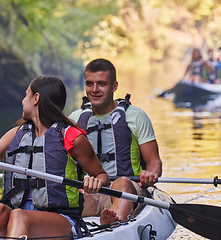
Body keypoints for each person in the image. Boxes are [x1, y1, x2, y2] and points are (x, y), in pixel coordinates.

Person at [0, 75, 110, 239]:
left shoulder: (72, 137)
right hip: (17, 216)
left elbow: (102, 176)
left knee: (19, 215)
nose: (22, 101)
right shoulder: (17, 134)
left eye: (26, 95)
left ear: (35, 98)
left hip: (61, 220)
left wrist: (95, 181)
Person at [68, 58, 162, 225]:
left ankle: (114, 224)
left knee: (122, 183)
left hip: (128, 190)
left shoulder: (136, 116)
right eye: (90, 84)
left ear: (114, 86)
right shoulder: (74, 120)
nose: (94, 90)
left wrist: (150, 174)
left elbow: (153, 161)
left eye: (101, 84)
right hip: (87, 192)